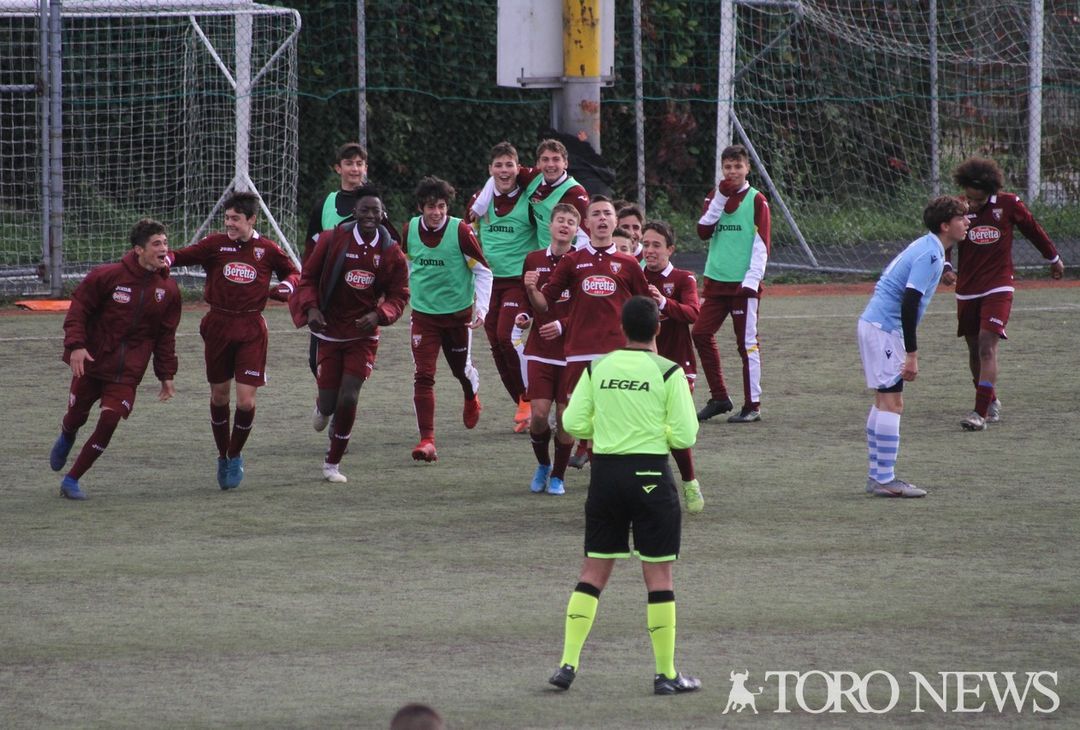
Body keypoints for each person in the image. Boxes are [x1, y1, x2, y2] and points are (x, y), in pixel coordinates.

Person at [548, 295, 702, 695]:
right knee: (659, 578)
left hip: (606, 477)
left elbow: (572, 422)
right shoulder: (669, 372)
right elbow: (685, 435)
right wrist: (654, 431)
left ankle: (567, 664)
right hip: (651, 476)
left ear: (622, 329)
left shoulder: (598, 367)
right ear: (658, 328)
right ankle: (666, 674)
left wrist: (605, 428)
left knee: (592, 574)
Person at [168, 191, 300, 490]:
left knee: (246, 401)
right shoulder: (214, 244)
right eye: (227, 218)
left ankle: (234, 454)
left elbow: (293, 273)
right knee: (219, 397)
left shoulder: (267, 250)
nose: (229, 223)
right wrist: (165, 258)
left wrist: (288, 287)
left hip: (251, 327)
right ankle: (222, 454)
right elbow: (182, 255)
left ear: (251, 220)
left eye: (235, 219)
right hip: (218, 325)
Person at [48, 218, 182, 500]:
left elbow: (165, 337)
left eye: (165, 243)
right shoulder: (107, 276)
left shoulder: (169, 290)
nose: (163, 249)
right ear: (139, 250)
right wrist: (76, 346)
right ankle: (68, 433)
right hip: (93, 363)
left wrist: (166, 375)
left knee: (109, 421)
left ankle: (72, 479)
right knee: (76, 416)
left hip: (128, 372)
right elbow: (79, 310)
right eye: (156, 244)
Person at [292, 186, 410, 483]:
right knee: (329, 403)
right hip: (330, 332)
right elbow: (308, 278)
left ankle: (332, 463)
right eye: (364, 210)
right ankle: (322, 407)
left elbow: (399, 294)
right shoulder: (332, 239)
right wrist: (311, 309)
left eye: (375, 211)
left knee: (349, 396)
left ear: (383, 215)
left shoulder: (390, 251)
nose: (370, 215)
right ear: (354, 212)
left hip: (362, 336)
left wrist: (379, 315)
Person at [524, 196, 652, 470]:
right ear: (587, 223)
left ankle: (606, 477)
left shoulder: (628, 264)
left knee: (614, 418)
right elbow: (544, 304)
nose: (602, 218)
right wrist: (532, 290)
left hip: (617, 354)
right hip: (578, 354)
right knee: (578, 420)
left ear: (615, 221)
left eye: (607, 213)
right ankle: (565, 470)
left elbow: (646, 310)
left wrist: (650, 351)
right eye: (596, 214)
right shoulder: (572, 261)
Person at [943, 157, 1066, 431]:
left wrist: (1053, 258)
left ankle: (979, 413)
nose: (972, 203)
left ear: (989, 190)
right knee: (973, 348)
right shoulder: (958, 206)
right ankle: (990, 400)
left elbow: (1033, 229)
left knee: (987, 344)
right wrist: (947, 267)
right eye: (969, 197)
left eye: (977, 198)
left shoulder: (1008, 204)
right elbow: (946, 237)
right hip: (967, 288)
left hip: (999, 285)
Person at [859, 196, 969, 497]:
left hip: (876, 326)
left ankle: (877, 476)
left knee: (884, 400)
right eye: (961, 218)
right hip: (885, 329)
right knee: (892, 403)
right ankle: (884, 479)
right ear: (945, 225)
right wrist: (912, 354)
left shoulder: (930, 246)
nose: (967, 222)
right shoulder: (931, 253)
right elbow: (909, 303)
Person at [404, 176, 493, 462]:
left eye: (441, 206)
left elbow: (483, 272)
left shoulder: (461, 231)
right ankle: (427, 440)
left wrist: (482, 310)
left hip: (457, 317)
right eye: (431, 207)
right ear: (421, 207)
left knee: (460, 371)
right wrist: (397, 293)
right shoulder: (410, 230)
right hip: (423, 316)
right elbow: (405, 265)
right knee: (423, 375)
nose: (437, 212)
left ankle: (471, 395)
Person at [692, 144, 771, 424]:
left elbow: (762, 244)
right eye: (728, 167)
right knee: (700, 333)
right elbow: (703, 231)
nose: (733, 171)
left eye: (738, 166)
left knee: (746, 344)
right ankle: (719, 398)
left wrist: (752, 280)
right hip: (716, 282)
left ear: (747, 168)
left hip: (742, 286)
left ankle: (753, 406)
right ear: (722, 169)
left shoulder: (757, 200)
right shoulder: (714, 196)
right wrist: (720, 199)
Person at [466, 142, 539, 433]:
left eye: (510, 165)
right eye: (499, 165)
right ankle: (524, 404)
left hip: (519, 283)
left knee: (507, 337)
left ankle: (531, 398)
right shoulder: (480, 201)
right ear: (490, 169)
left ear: (518, 168)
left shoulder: (530, 200)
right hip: (489, 283)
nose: (504, 171)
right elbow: (470, 233)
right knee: (496, 345)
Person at [642, 220, 703, 513]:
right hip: (643, 366)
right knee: (649, 429)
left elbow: (693, 313)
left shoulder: (683, 278)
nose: (650, 250)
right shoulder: (634, 275)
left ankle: (690, 482)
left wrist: (663, 302)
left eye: (656, 245)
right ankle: (651, 487)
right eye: (646, 244)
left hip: (678, 366)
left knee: (674, 428)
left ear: (670, 249)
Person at [518, 203, 579, 495]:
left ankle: (558, 475)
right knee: (540, 415)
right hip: (540, 350)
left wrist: (563, 325)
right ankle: (543, 464)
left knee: (566, 418)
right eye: (560, 220)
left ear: (577, 230)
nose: (565, 225)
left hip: (572, 352)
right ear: (550, 225)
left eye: (571, 222)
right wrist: (524, 314)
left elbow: (587, 308)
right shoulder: (533, 259)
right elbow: (526, 298)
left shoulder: (581, 262)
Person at [471, 138, 591, 251]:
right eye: (545, 159)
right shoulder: (532, 177)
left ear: (565, 163)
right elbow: (501, 174)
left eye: (556, 159)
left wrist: (569, 258)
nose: (550, 164)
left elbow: (588, 236)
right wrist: (481, 204)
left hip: (566, 258)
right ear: (538, 164)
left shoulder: (575, 193)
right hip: (543, 258)